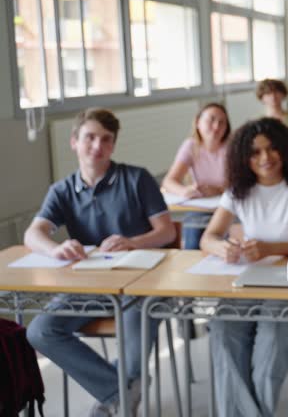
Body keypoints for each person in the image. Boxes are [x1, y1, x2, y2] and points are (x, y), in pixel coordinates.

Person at [24, 108, 175, 416]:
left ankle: (115, 397)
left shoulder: (137, 178)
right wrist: (55, 249)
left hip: (140, 287)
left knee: (133, 349)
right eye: (90, 138)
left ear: (113, 145)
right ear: (74, 142)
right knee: (39, 331)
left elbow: (166, 231)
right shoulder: (62, 190)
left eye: (106, 139)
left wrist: (132, 241)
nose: (97, 146)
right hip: (90, 286)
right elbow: (33, 234)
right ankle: (118, 392)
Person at [199, 117, 288, 417]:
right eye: (255, 152)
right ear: (243, 158)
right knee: (223, 333)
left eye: (272, 149)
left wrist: (269, 248)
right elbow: (208, 237)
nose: (265, 158)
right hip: (244, 283)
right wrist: (221, 247)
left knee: (271, 347)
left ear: (285, 151)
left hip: (286, 287)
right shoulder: (238, 192)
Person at [161, 103, 231, 249]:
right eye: (211, 120)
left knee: (218, 246)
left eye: (222, 122)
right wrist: (185, 191)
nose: (216, 126)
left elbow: (243, 182)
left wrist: (218, 190)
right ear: (198, 122)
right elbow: (169, 181)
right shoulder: (190, 146)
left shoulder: (232, 147)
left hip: (224, 206)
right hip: (199, 206)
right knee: (192, 246)